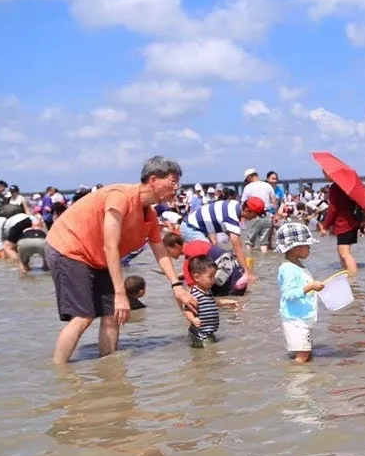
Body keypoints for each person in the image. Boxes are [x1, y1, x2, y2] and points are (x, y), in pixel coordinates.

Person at [44, 156, 197, 364]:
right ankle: (60, 373)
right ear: (153, 179)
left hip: (99, 258)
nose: (177, 187)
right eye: (173, 181)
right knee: (83, 316)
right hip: (69, 249)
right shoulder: (120, 197)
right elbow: (110, 245)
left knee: (113, 314)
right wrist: (120, 293)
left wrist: (176, 286)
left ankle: (110, 368)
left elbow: (160, 251)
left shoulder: (150, 215)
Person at [180, 195, 260, 287]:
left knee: (211, 258)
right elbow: (238, 249)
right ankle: (192, 284)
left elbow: (231, 236)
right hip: (191, 227)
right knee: (205, 256)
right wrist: (248, 272)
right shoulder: (232, 217)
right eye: (255, 214)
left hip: (198, 227)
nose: (255, 217)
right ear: (247, 210)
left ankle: (186, 275)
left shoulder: (235, 205)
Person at [275, 222, 323, 364]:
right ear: (295, 248)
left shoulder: (298, 266)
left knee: (307, 352)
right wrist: (311, 286)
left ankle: (305, 379)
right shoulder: (288, 269)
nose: (309, 248)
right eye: (307, 245)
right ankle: (297, 380)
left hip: (302, 317)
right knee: (302, 355)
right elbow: (288, 295)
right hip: (295, 320)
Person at [319, 182, 365, 278]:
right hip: (352, 222)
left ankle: (353, 280)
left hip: (344, 223)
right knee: (343, 253)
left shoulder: (335, 187)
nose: (324, 174)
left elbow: (333, 208)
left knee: (344, 254)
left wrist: (325, 226)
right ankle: (347, 277)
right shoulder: (348, 186)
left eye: (324, 173)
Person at [184, 255, 238, 347]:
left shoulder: (207, 291)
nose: (214, 280)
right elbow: (187, 310)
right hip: (200, 335)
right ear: (197, 277)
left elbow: (211, 302)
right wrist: (193, 319)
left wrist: (226, 302)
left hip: (209, 332)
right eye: (210, 277)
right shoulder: (193, 295)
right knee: (209, 354)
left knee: (212, 349)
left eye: (214, 276)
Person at [240, 168, 276, 252]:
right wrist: (275, 215)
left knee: (249, 242)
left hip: (253, 215)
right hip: (267, 215)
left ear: (249, 177)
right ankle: (266, 262)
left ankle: (249, 261)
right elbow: (274, 202)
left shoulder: (248, 187)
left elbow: (243, 204)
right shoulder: (268, 186)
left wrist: (243, 218)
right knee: (264, 243)